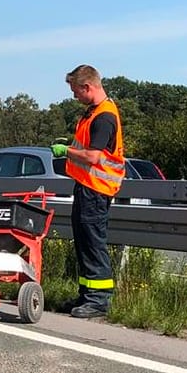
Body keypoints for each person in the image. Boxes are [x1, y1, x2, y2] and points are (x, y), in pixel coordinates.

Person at [53, 65, 126, 319]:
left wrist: (66, 151)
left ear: (88, 87)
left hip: (97, 190)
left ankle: (99, 300)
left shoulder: (104, 116)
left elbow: (93, 157)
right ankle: (86, 295)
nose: (75, 97)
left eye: (76, 92)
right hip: (86, 187)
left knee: (93, 243)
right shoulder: (93, 112)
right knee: (84, 243)